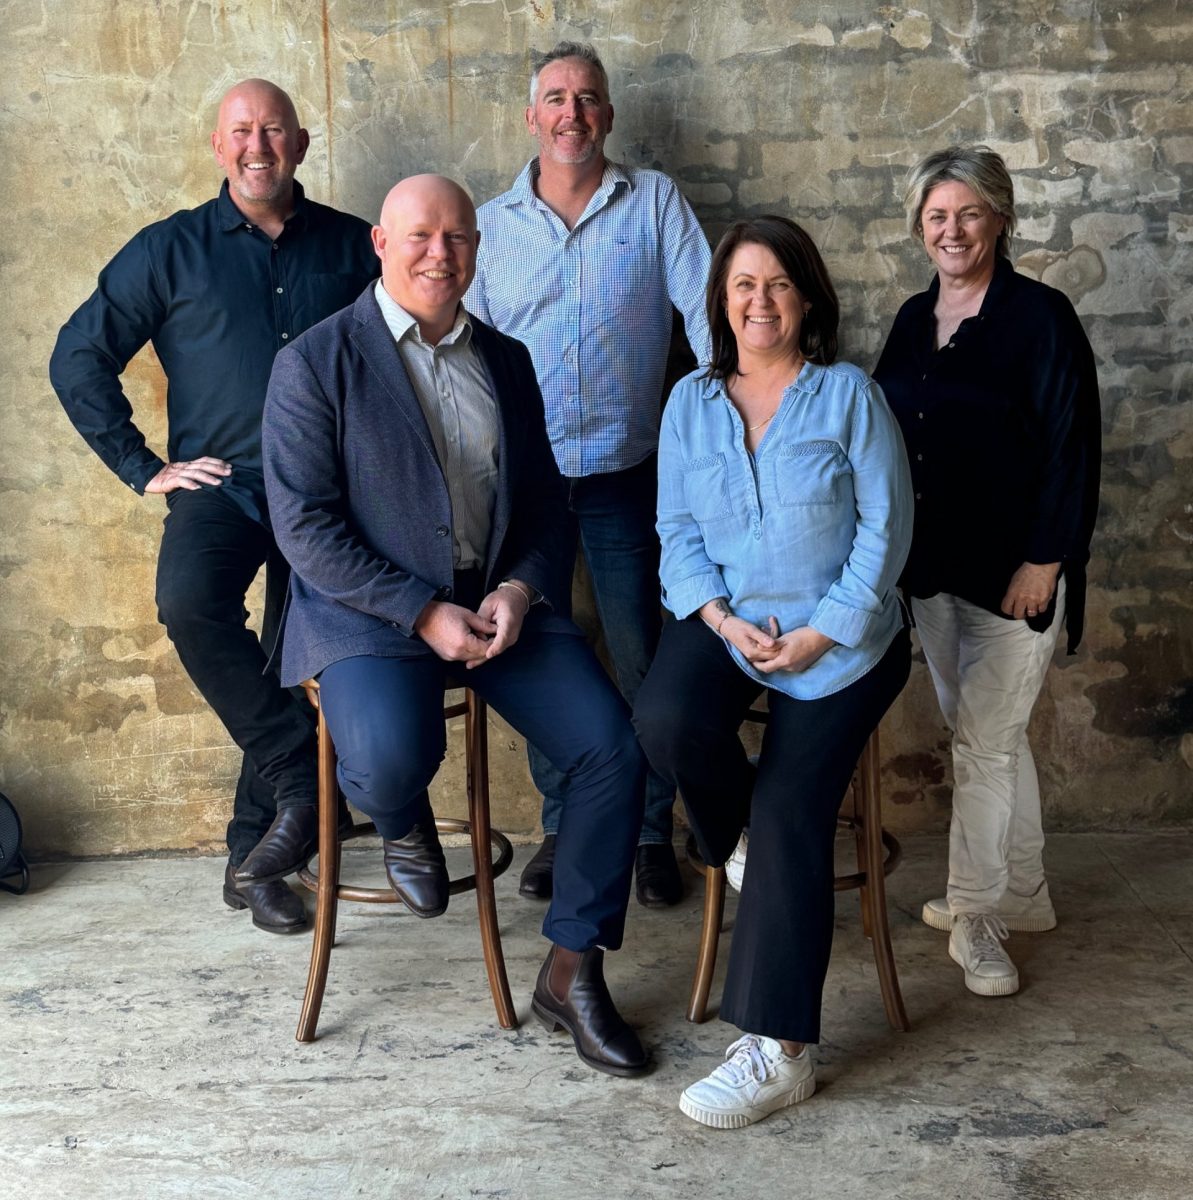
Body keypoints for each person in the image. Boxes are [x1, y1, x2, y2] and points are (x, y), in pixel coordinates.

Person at [261, 174, 650, 1078]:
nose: (442, 253)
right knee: (394, 758)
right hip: (371, 610)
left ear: (479, 248)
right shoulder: (315, 362)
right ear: (381, 244)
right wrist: (418, 611)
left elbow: (547, 506)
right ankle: (400, 822)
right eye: (422, 236)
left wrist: (519, 589)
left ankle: (571, 970)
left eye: (460, 238)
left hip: (494, 605)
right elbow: (305, 528)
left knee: (611, 751)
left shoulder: (506, 359)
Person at [49, 79, 378, 936]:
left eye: (273, 130)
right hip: (222, 488)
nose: (257, 145)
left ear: (300, 144)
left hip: (331, 497)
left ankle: (256, 857)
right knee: (189, 604)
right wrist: (142, 465)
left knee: (284, 660)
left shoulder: (355, 246)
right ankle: (300, 771)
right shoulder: (168, 250)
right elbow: (78, 356)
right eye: (241, 131)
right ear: (217, 145)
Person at [634, 216, 913, 1128]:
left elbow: (886, 531)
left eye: (778, 284)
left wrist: (823, 633)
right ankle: (740, 844)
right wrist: (716, 618)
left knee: (793, 806)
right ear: (721, 300)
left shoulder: (847, 397)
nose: (760, 301)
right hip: (730, 623)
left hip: (845, 639)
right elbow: (675, 534)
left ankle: (779, 1050)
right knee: (665, 718)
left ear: (806, 299)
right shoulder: (689, 404)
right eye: (743, 284)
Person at [466, 41, 712, 908]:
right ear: (532, 116)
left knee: (641, 656)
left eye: (589, 98)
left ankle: (648, 831)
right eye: (557, 98)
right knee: (540, 654)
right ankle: (567, 824)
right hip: (522, 486)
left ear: (607, 114)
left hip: (625, 473)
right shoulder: (491, 226)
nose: (573, 113)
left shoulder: (654, 205)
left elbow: (711, 321)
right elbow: (468, 362)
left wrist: (737, 426)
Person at [873, 145, 1101, 997]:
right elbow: (881, 434)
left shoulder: (1040, 318)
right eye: (936, 216)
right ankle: (1028, 892)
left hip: (1015, 572)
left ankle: (974, 915)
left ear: (1000, 219)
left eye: (968, 213)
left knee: (982, 745)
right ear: (918, 227)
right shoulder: (908, 319)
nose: (951, 229)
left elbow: (1070, 449)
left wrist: (1045, 560)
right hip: (931, 572)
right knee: (989, 738)